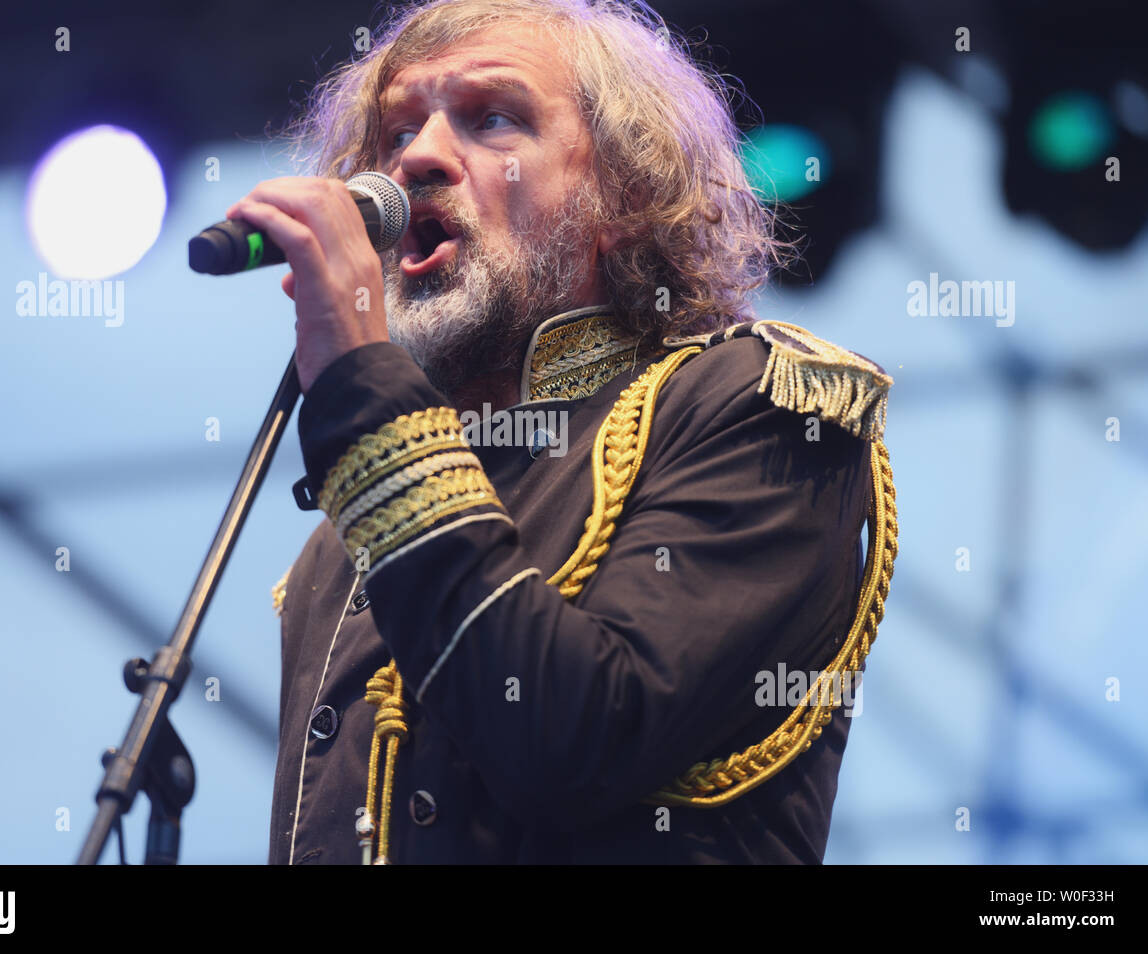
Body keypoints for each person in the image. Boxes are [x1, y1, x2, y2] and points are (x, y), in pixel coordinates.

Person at [229, 0, 898, 864]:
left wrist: (361, 383)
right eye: (397, 133)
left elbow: (573, 740)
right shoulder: (342, 546)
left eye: (493, 119)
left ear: (623, 192)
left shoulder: (756, 407)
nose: (418, 157)